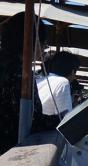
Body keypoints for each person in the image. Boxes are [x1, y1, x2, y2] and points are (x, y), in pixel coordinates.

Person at [0, 12, 48, 153]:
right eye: (43, 44)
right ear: (33, 41)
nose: (43, 49)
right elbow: (31, 121)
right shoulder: (21, 74)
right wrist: (60, 120)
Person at [36, 51, 80, 129]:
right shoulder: (63, 82)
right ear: (73, 71)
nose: (74, 77)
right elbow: (65, 120)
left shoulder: (40, 80)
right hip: (45, 135)